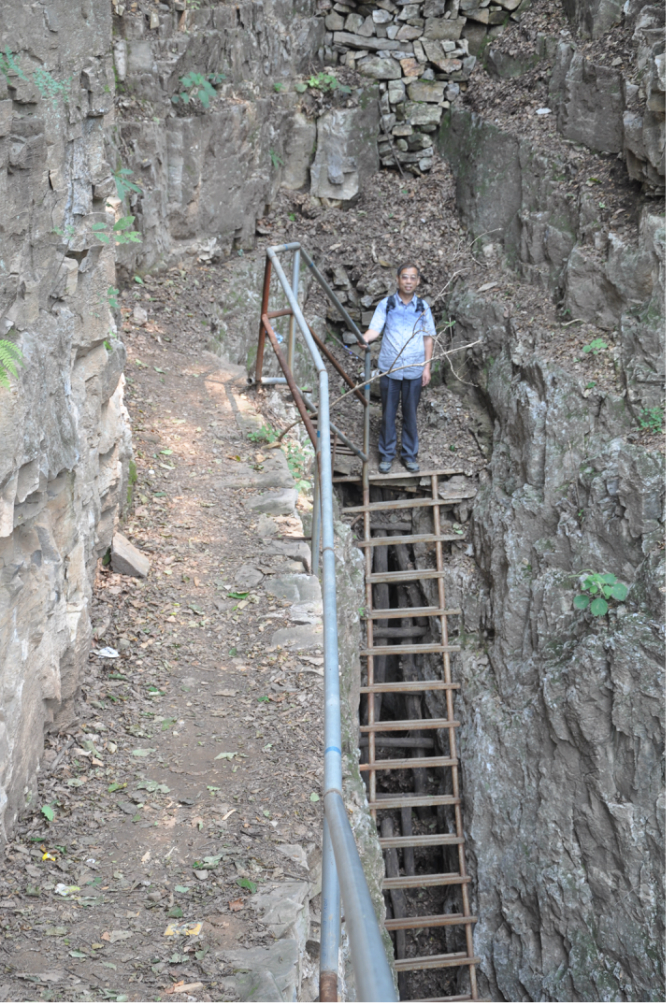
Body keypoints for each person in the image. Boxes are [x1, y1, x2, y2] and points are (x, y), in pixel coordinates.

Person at [362, 262, 436, 474]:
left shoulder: (423, 308)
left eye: (413, 278)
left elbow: (428, 339)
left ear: (418, 281)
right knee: (388, 413)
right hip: (390, 368)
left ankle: (409, 455)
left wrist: (426, 368)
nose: (409, 281)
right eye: (405, 277)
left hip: (414, 369)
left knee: (410, 413)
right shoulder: (387, 305)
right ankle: (386, 455)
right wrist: (364, 339)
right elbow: (374, 329)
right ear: (397, 279)